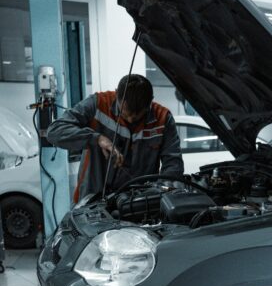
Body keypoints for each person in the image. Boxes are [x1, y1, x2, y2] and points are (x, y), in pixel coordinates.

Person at [47, 74, 184, 202]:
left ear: (151, 101)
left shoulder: (163, 118)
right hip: (92, 202)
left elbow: (173, 164)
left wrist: (159, 193)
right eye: (125, 114)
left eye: (137, 116)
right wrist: (97, 138)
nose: (130, 120)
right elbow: (54, 131)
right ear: (116, 94)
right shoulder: (98, 104)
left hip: (140, 203)